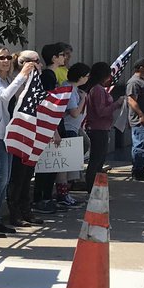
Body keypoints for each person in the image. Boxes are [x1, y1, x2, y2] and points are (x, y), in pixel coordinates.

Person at [0, 47, 37, 236]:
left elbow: (20, 95)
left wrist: (31, 75)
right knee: (0, 178)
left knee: (4, 180)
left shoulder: (8, 79)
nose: (5, 60)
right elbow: (4, 95)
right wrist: (22, 75)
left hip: (8, 133)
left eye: (8, 57)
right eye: (0, 58)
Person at [6, 49, 43, 227]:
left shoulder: (35, 83)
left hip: (31, 133)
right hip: (18, 134)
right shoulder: (17, 81)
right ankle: (15, 214)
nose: (40, 65)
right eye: (37, 61)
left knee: (28, 175)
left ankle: (26, 210)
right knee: (18, 176)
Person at [32, 42, 69, 214]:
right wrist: (53, 130)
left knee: (53, 165)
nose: (64, 57)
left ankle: (46, 197)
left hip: (54, 122)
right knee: (47, 165)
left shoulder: (53, 75)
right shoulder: (47, 76)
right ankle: (41, 199)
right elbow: (47, 105)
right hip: (49, 124)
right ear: (54, 57)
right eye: (61, 54)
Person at [54, 62, 92, 204]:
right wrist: (83, 99)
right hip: (68, 129)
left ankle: (66, 192)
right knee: (64, 166)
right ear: (81, 77)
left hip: (73, 128)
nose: (88, 79)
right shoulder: (68, 90)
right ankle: (62, 195)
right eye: (87, 76)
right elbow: (75, 112)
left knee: (70, 164)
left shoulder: (72, 88)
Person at [83, 62, 120, 189]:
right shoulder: (97, 89)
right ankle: (91, 187)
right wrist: (117, 104)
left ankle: (95, 187)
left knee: (99, 160)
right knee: (96, 160)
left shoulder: (96, 88)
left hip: (101, 127)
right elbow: (101, 111)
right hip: (97, 128)